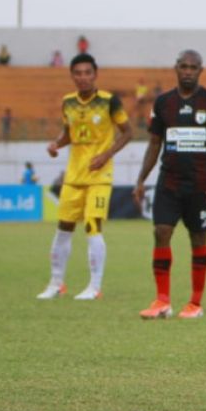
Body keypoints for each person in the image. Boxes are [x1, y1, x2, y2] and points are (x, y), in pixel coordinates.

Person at [133, 50, 206, 320]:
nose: (188, 71)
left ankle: (195, 303)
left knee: (198, 239)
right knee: (161, 232)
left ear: (201, 70)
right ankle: (162, 301)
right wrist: (141, 179)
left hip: (201, 187)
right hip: (168, 183)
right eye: (183, 66)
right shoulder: (163, 103)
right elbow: (154, 144)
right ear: (175, 69)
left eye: (193, 67)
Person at [36, 54, 132, 301]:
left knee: (92, 225)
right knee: (63, 228)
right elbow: (69, 132)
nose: (83, 77)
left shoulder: (109, 101)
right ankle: (57, 283)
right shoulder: (68, 102)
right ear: (72, 76)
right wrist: (56, 144)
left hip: (99, 176)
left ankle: (95, 286)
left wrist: (105, 155)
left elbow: (127, 132)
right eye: (77, 73)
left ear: (95, 74)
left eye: (87, 72)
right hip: (73, 175)